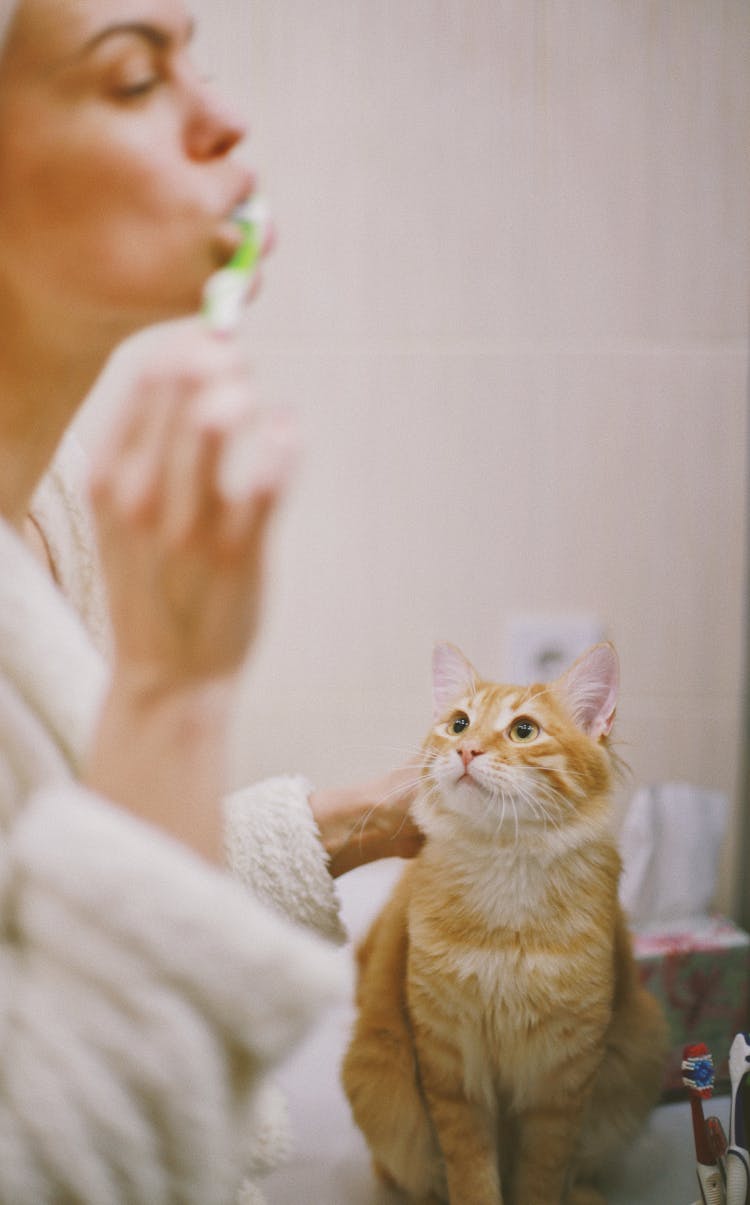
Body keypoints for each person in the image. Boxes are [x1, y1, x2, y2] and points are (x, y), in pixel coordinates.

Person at [0, 0, 422, 1201]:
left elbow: (83, 886)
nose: (224, 115)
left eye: (199, 58)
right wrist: (174, 688)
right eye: (136, 80)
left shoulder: (63, 492)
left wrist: (375, 815)